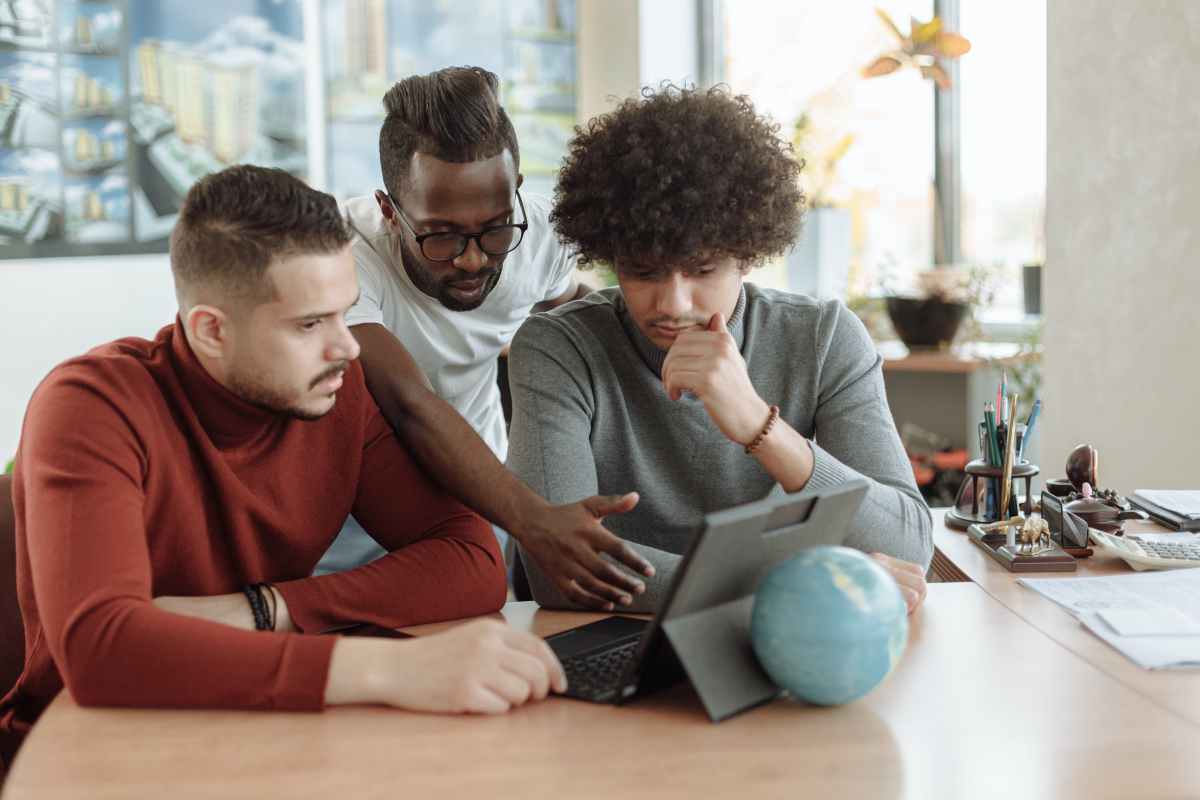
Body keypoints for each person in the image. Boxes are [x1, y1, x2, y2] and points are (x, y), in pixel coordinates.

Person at [0, 166, 565, 768]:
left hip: (261, 740)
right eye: (310, 324)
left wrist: (266, 608)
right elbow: (102, 653)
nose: (347, 347)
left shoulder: (335, 392)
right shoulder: (90, 406)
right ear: (211, 331)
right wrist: (390, 670)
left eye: (345, 314)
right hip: (87, 756)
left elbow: (471, 560)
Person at [506, 86, 932, 613]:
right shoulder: (559, 348)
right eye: (642, 271)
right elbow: (558, 572)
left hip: (784, 641)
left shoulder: (823, 338)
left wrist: (759, 425)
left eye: (703, 269)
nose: (672, 302)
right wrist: (796, 585)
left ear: (748, 255)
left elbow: (908, 549)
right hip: (620, 642)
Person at [322, 66, 653, 610]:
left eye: (495, 228)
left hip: (481, 504)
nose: (473, 258)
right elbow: (409, 403)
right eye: (442, 236)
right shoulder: (339, 251)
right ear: (389, 211)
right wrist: (535, 521)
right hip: (350, 521)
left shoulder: (537, 236)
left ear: (516, 194)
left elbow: (572, 303)